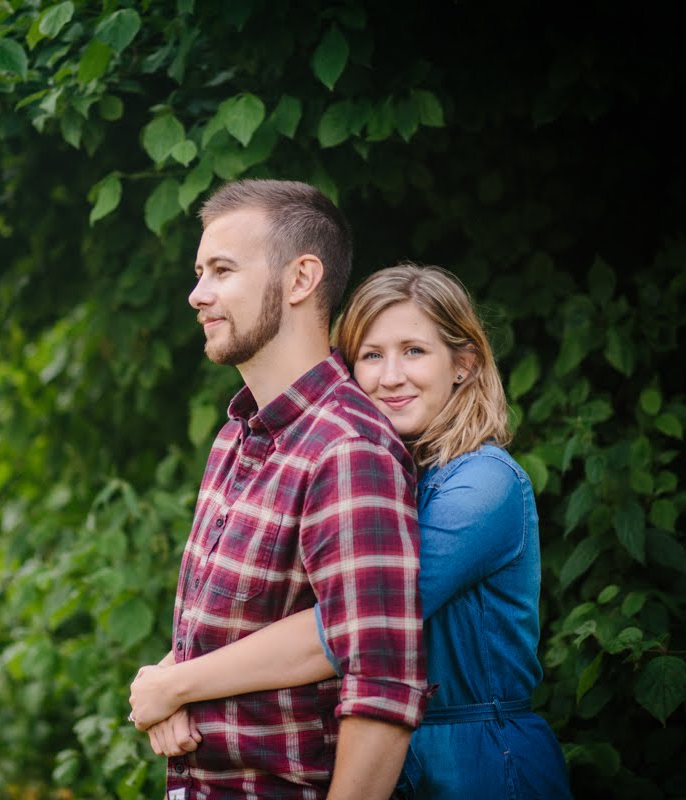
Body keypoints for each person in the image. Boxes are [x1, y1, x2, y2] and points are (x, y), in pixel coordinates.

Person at [131, 264, 573, 799]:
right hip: (375, 752)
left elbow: (351, 623)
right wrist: (167, 678)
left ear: (464, 363)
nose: (391, 376)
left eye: (414, 351)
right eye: (371, 355)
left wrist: (177, 683)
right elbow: (272, 610)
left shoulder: (484, 485)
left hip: (477, 760)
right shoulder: (362, 471)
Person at [141, 180, 429, 799]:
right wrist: (169, 685)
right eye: (199, 273)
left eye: (222, 271)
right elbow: (217, 633)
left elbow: (382, 688)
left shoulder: (348, 449)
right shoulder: (236, 436)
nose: (197, 294)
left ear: (300, 279)